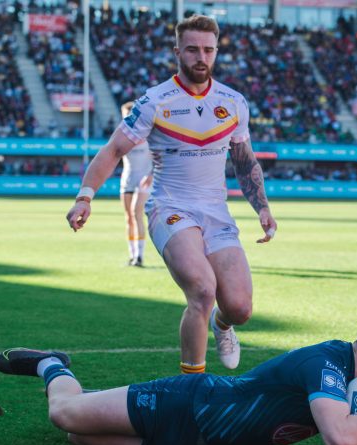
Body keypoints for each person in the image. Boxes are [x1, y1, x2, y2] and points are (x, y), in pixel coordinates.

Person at [0, 311, 357, 445]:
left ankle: (62, 376)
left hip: (201, 443)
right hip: (191, 403)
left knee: (83, 441)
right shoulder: (326, 363)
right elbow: (343, 439)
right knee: (68, 418)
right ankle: (52, 364)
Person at [66, 15, 277, 373]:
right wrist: (84, 196)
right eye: (193, 49)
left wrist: (262, 207)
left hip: (216, 213)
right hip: (170, 207)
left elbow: (244, 161)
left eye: (208, 50)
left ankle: (222, 326)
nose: (201, 57)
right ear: (177, 50)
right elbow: (113, 150)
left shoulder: (234, 102)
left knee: (239, 308)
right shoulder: (154, 102)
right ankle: (191, 386)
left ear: (216, 52)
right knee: (202, 290)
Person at [118, 101, 154, 267]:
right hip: (127, 180)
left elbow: (159, 157)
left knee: (136, 213)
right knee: (128, 219)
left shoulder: (148, 135)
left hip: (144, 180)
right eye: (125, 117)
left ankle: (140, 256)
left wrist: (151, 175)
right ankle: (132, 255)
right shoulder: (121, 135)